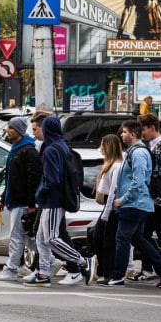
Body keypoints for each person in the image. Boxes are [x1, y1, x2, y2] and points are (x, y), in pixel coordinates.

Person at [27, 116, 96, 287]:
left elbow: (52, 179)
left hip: (52, 200)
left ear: (47, 129)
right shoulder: (62, 146)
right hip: (58, 198)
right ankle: (43, 273)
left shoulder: (51, 150)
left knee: (50, 238)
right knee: (41, 237)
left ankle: (83, 261)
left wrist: (39, 193)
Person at [101, 120, 161, 287]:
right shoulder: (133, 152)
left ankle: (118, 276)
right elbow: (131, 179)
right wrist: (120, 189)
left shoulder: (138, 153)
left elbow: (139, 181)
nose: (121, 135)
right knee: (137, 238)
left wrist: (123, 199)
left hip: (135, 203)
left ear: (132, 134)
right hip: (136, 202)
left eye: (124, 132)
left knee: (122, 237)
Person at [0, 117, 42, 282]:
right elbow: (11, 179)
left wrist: (31, 203)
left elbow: (32, 180)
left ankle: (11, 268)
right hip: (16, 201)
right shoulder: (16, 150)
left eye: (11, 128)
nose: (7, 130)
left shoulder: (28, 151)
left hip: (23, 203)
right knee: (27, 238)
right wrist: (3, 198)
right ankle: (50, 261)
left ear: (19, 131)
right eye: (8, 127)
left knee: (17, 237)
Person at [134, 113, 161, 282]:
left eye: (144, 130)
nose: (142, 134)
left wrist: (159, 198)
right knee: (143, 234)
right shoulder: (150, 147)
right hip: (151, 201)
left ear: (153, 128)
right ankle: (147, 269)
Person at [94, 134, 123, 284]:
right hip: (108, 206)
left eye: (102, 145)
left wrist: (107, 213)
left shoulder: (116, 166)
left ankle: (109, 273)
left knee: (107, 240)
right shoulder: (110, 165)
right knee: (98, 237)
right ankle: (105, 271)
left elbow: (112, 193)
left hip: (111, 207)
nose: (100, 148)